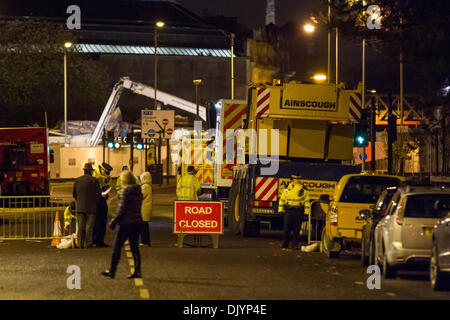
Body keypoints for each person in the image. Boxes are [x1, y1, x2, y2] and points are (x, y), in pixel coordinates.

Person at [101, 170, 143, 279]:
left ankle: (112, 270)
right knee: (135, 248)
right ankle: (137, 271)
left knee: (117, 247)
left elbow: (122, 209)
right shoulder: (138, 190)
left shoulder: (126, 191)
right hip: (137, 222)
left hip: (126, 223)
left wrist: (114, 221)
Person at [278, 175, 311, 250]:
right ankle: (285, 244)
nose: (297, 180)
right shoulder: (287, 188)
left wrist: (306, 212)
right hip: (289, 210)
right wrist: (280, 210)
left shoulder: (303, 189)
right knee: (287, 228)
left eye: (298, 179)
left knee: (296, 229)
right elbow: (282, 199)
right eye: (296, 179)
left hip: (298, 211)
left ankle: (294, 244)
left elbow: (307, 202)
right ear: (292, 179)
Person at [73, 163, 101, 249]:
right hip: (91, 207)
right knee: (89, 226)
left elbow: (74, 194)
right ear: (90, 171)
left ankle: (80, 244)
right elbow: (98, 194)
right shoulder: (94, 180)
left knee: (81, 226)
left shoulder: (77, 180)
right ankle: (88, 243)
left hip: (80, 207)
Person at [92, 162, 113, 247]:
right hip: (95, 201)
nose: (107, 174)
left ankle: (100, 241)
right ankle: (94, 240)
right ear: (102, 169)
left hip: (103, 200)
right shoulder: (95, 174)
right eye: (106, 172)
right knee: (96, 222)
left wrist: (106, 193)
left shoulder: (107, 177)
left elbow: (108, 186)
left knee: (103, 222)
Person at [139, 171, 153, 246]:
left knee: (143, 226)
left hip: (144, 208)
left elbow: (141, 196)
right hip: (145, 208)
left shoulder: (145, 186)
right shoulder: (147, 185)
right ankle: (147, 241)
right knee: (144, 225)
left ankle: (144, 241)